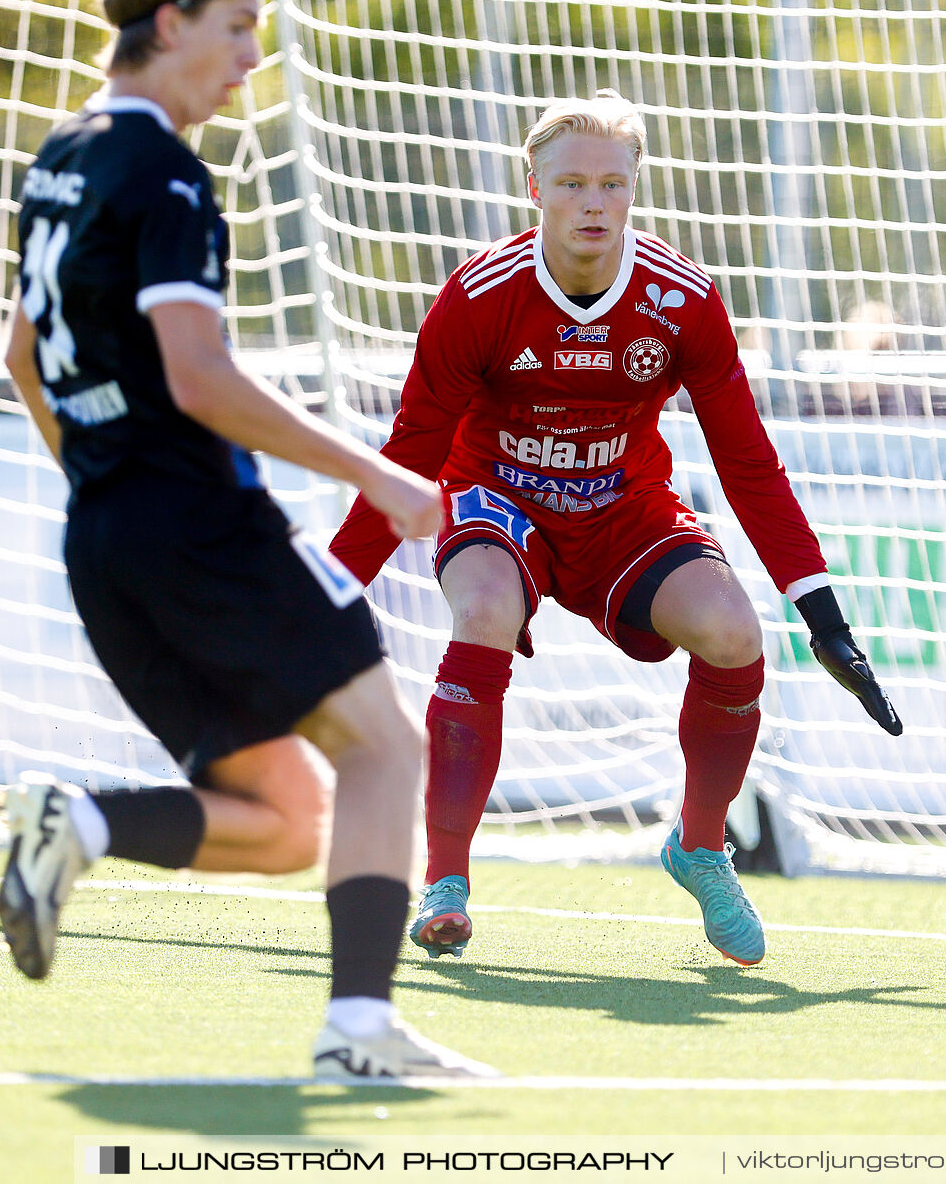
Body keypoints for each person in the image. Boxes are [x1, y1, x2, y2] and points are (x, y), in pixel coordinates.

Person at [0, 0, 493, 1081]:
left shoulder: (59, 159)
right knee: (382, 749)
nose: (249, 58)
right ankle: (359, 1032)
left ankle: (88, 820)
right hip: (199, 524)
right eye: (234, 26)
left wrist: (111, 491)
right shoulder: (163, 175)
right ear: (167, 24)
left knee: (285, 821)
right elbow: (202, 376)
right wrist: (377, 474)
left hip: (105, 535)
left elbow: (22, 358)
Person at [329, 91, 902, 968]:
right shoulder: (478, 297)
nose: (592, 203)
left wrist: (821, 612)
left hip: (622, 508)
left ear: (634, 187)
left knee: (732, 632)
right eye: (571, 185)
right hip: (499, 497)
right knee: (480, 607)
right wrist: (327, 587)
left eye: (610, 184)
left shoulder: (683, 299)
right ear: (534, 190)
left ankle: (700, 846)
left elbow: (748, 462)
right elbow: (410, 451)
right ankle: (445, 880)